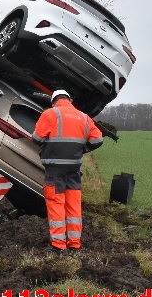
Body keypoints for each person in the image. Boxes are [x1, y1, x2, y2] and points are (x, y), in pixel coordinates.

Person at [32, 89, 104, 253]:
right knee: (73, 205)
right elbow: (98, 139)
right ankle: (74, 244)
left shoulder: (50, 114)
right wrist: (82, 149)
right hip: (74, 168)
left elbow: (36, 138)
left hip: (55, 169)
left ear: (54, 101)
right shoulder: (84, 117)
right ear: (69, 100)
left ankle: (58, 246)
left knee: (57, 203)